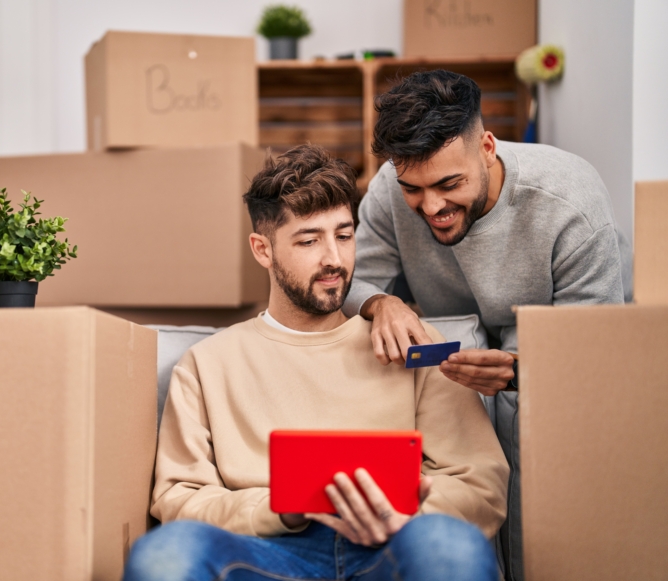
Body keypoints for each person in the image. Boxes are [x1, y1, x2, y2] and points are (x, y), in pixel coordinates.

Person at [123, 144, 509, 581]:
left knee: (447, 546)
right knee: (165, 555)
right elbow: (180, 499)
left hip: (391, 548)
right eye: (309, 240)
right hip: (265, 554)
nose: (334, 259)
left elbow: (480, 482)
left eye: (344, 236)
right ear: (262, 250)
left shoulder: (412, 344)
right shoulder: (207, 364)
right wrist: (278, 509)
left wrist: (409, 514)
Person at [342, 70, 632, 580]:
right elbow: (353, 281)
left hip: (558, 334)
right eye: (414, 188)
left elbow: (595, 353)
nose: (431, 207)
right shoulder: (392, 186)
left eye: (449, 184)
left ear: (488, 148)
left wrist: (522, 371)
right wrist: (380, 303)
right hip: (454, 336)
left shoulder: (571, 201)